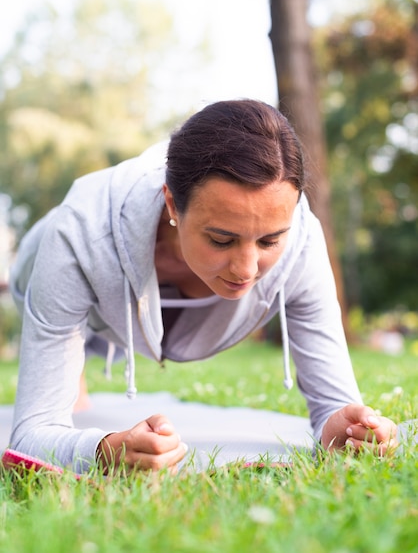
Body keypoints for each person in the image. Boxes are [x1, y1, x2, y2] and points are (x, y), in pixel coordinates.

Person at [9, 99, 398, 475]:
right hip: (61, 277)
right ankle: (73, 374)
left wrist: (343, 429)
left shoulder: (302, 241)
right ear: (173, 205)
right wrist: (103, 450)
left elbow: (336, 403)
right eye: (221, 239)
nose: (246, 270)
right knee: (72, 411)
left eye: (268, 241)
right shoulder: (80, 235)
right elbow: (32, 433)